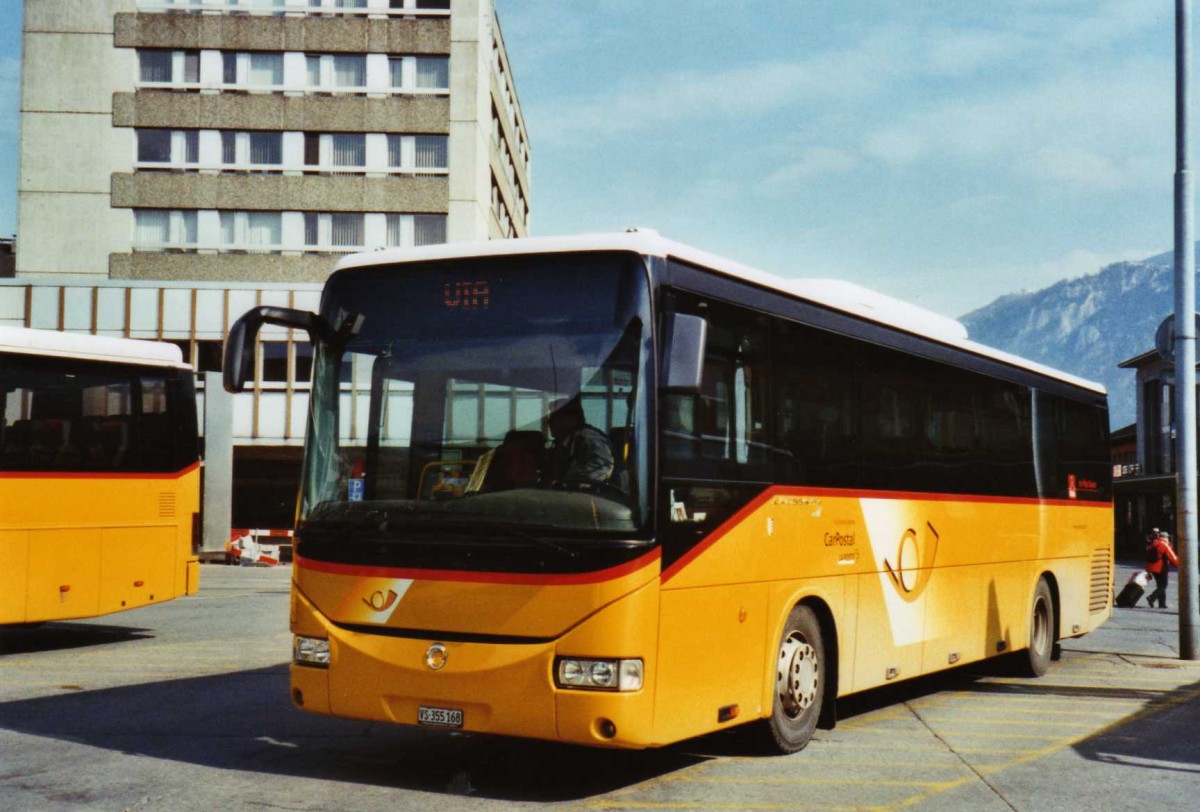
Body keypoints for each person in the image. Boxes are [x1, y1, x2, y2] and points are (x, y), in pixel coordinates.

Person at [545, 395, 614, 486]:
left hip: (589, 497)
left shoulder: (589, 438)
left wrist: (569, 482)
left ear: (571, 418)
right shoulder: (562, 442)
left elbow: (602, 466)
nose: (549, 422)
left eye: (554, 416)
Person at [1146, 529, 1180, 609]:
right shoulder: (1164, 544)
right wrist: (1180, 565)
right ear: (1165, 537)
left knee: (1160, 585)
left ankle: (1162, 604)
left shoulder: (1153, 543)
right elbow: (1172, 557)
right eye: (1167, 537)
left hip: (1152, 568)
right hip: (1161, 568)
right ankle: (1152, 597)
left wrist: (1147, 569)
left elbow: (1148, 556)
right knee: (1163, 586)